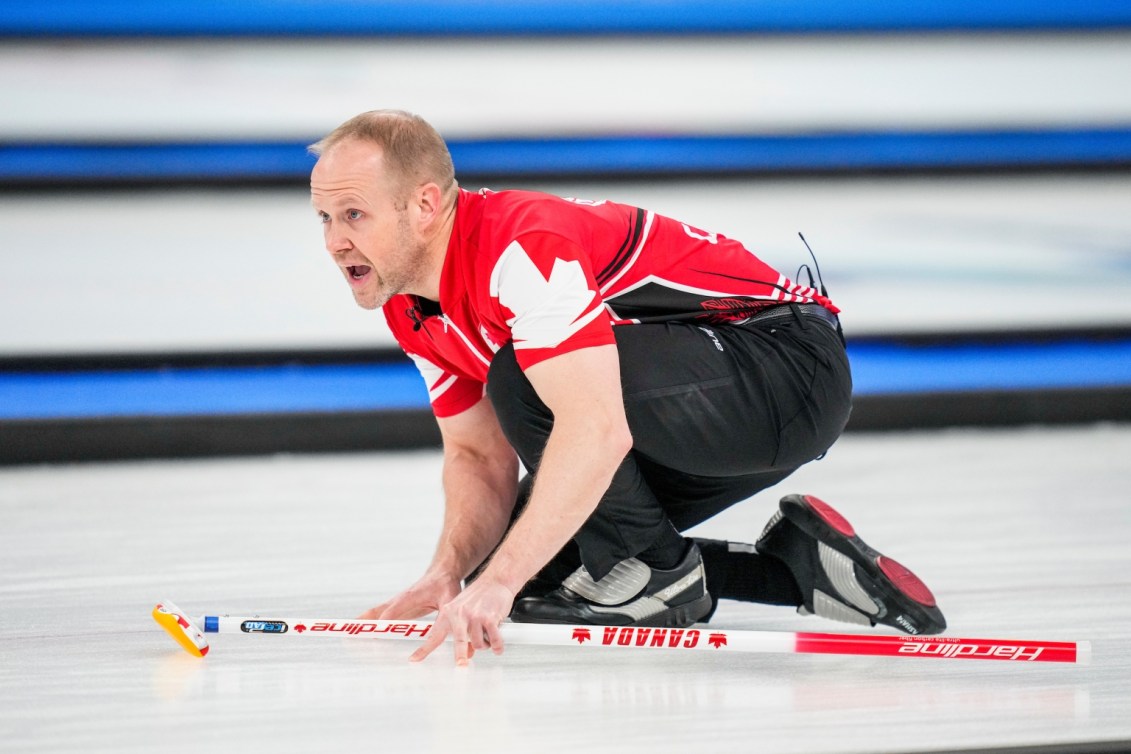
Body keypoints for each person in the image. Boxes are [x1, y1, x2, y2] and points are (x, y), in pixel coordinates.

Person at [308, 109, 946, 665]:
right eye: (325, 218)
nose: (336, 243)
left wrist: (498, 580)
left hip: (785, 372)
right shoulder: (410, 306)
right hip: (709, 398)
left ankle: (661, 578)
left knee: (525, 385)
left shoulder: (519, 246)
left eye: (354, 215)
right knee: (528, 566)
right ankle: (801, 569)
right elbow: (478, 456)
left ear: (423, 205)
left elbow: (595, 427)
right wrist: (450, 574)